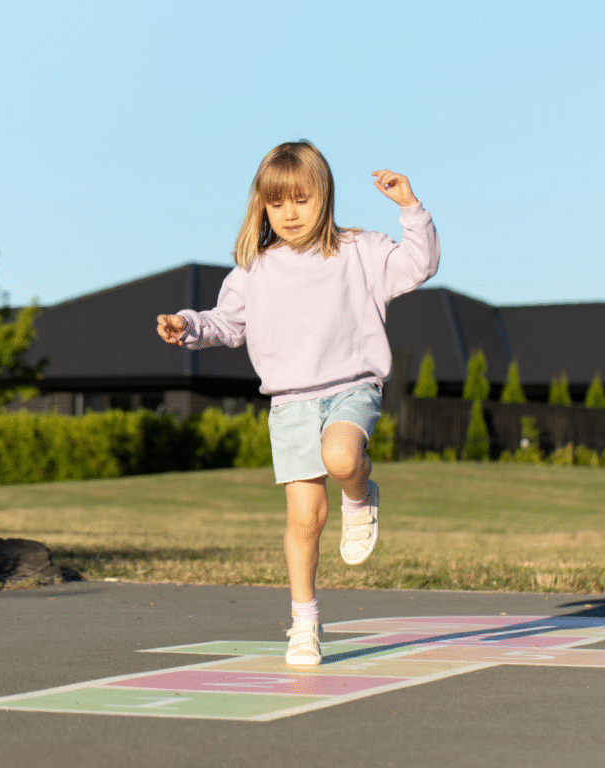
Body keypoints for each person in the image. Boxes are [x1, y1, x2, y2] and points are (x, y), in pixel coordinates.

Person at [157, 140, 440, 666]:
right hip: (290, 404)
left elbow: (418, 265)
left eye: (302, 200)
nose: (289, 213)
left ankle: (360, 497)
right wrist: (188, 324)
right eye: (276, 203)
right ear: (261, 206)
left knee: (341, 457)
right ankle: (304, 623)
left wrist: (409, 207)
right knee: (304, 520)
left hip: (351, 386)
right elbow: (227, 323)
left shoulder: (360, 250)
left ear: (324, 198)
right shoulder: (255, 269)